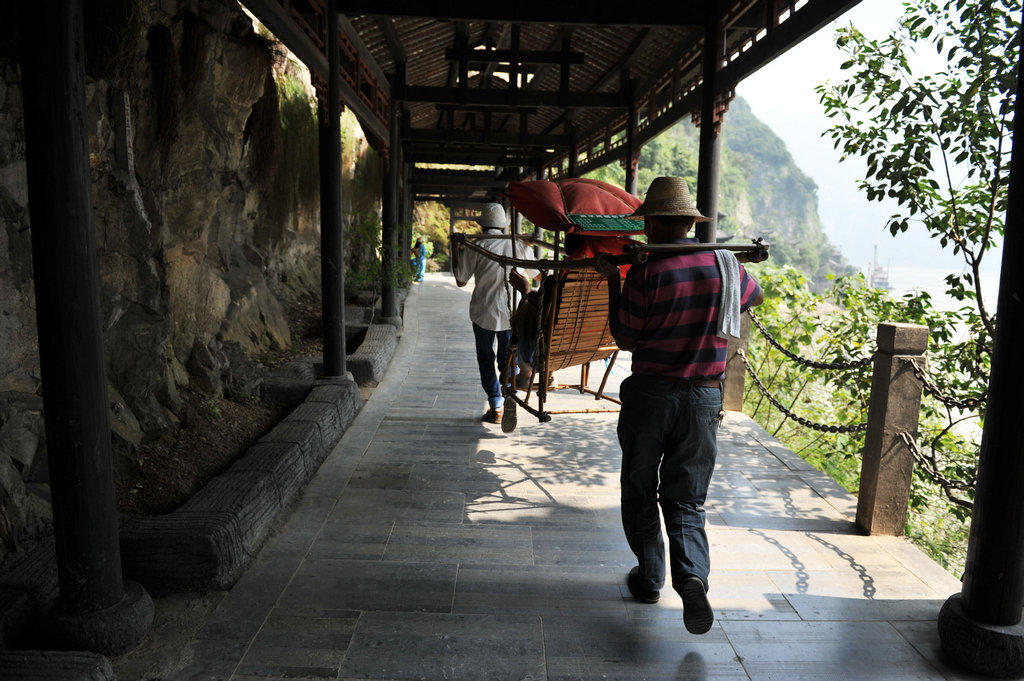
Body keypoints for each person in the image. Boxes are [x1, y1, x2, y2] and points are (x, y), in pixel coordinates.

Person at [594, 176, 765, 635]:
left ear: (652, 222)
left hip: (651, 393)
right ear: (689, 223)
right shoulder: (726, 265)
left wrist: (616, 282)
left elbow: (627, 336)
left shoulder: (648, 271)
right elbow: (754, 297)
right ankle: (691, 576)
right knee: (687, 498)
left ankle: (650, 578)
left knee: (639, 486)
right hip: (704, 396)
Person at [454, 203, 538, 423]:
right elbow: (537, 273)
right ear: (502, 226)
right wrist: (526, 246)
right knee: (508, 359)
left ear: (482, 226)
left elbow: (461, 280)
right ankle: (510, 395)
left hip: (483, 312)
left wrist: (456, 250)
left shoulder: (476, 245)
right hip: (512, 314)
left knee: (485, 359)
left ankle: (496, 404)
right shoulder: (517, 245)